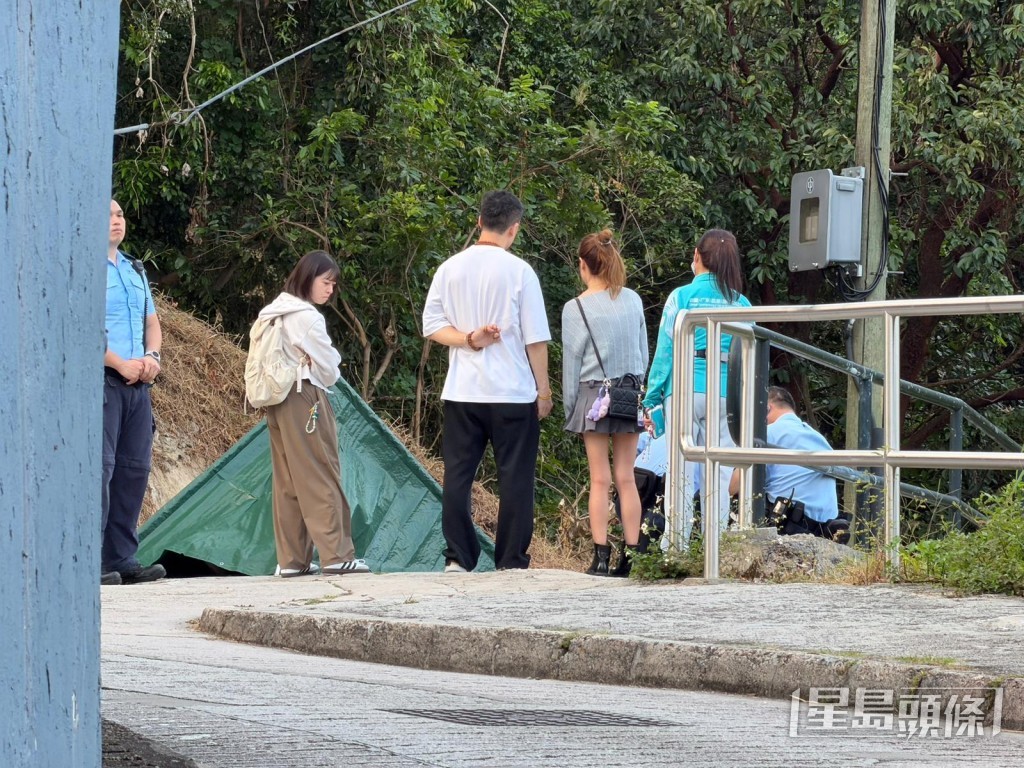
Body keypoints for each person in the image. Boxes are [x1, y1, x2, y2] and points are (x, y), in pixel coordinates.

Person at [422, 190, 553, 572]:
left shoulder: (449, 268)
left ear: (479, 221)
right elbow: (536, 340)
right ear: (513, 229)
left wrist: (466, 339)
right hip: (512, 393)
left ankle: (458, 556)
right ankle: (510, 560)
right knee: (516, 478)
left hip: (463, 391)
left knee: (457, 476)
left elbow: (431, 326)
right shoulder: (520, 272)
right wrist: (543, 390)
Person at [259, 250, 371, 576]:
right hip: (304, 395)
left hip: (275, 399)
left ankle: (292, 561)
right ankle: (337, 555)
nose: (330, 289)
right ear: (308, 278)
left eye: (333, 284)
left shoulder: (272, 311)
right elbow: (331, 368)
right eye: (326, 282)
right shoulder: (306, 316)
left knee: (287, 480)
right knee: (320, 470)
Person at [642, 228, 752, 548]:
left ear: (697, 256)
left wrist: (652, 397)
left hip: (685, 388)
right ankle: (713, 552)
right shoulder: (742, 304)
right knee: (717, 475)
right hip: (726, 394)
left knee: (680, 472)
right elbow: (749, 356)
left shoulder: (681, 296)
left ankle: (675, 548)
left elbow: (665, 351)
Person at [561, 230, 648, 576]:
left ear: (583, 266)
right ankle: (631, 558)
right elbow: (643, 353)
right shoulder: (634, 300)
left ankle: (600, 558)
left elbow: (571, 365)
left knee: (600, 480)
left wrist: (571, 410)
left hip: (593, 395)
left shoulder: (576, 308)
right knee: (626, 477)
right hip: (630, 393)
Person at [102, 200, 166, 585]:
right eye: (108, 215)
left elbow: (151, 322)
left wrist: (151, 356)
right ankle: (92, 559)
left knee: (133, 470)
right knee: (100, 470)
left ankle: (122, 558)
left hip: (138, 385)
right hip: (105, 380)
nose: (116, 221)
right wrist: (118, 363)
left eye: (120, 214)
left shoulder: (134, 269)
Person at [729, 386, 849, 543]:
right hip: (825, 526)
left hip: (789, 523)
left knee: (741, 492)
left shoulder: (766, 434)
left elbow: (734, 487)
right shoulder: (818, 437)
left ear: (766, 408)